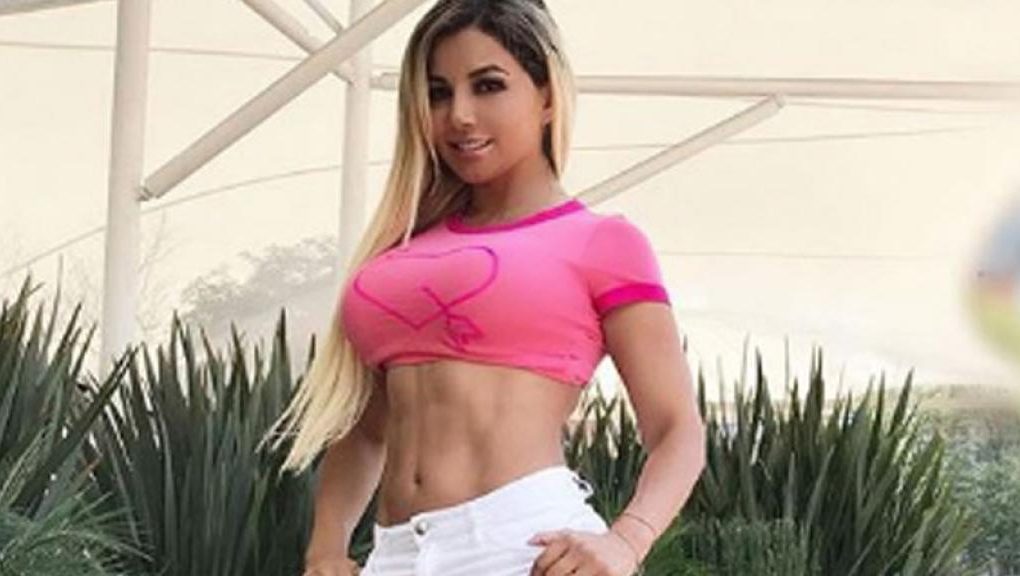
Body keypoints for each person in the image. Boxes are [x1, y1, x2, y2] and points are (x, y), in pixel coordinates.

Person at [262, 1, 706, 574]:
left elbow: (677, 428)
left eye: (488, 85)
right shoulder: (400, 249)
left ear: (547, 96)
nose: (460, 116)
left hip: (520, 545)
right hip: (396, 555)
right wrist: (326, 546)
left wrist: (627, 541)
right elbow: (369, 427)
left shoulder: (602, 242)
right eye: (438, 93)